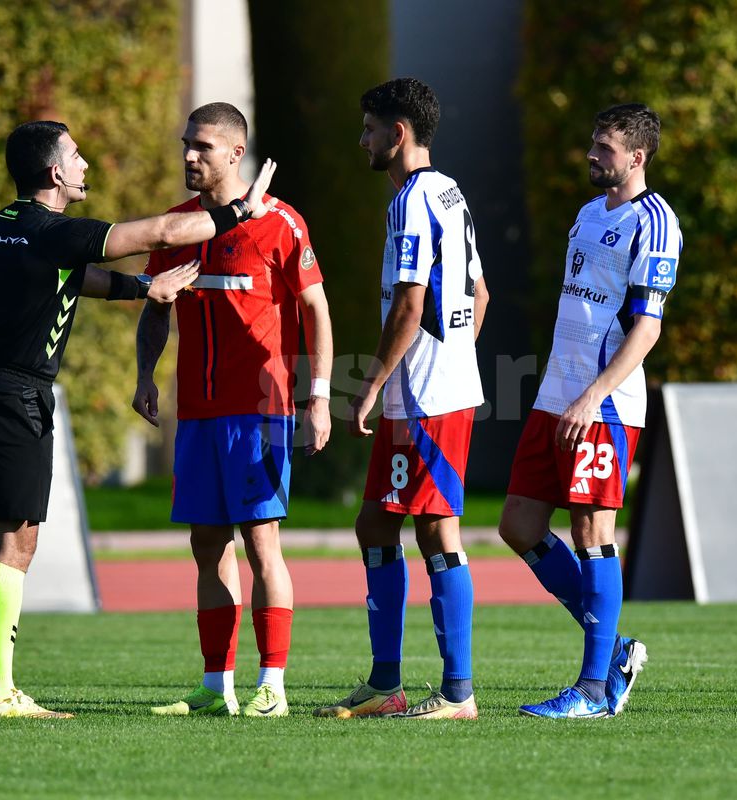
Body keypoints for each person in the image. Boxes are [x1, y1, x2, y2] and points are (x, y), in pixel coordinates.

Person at [0, 120, 278, 719]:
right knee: (16, 538)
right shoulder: (54, 231)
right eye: (76, 158)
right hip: (16, 397)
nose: (85, 166)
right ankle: (1, 694)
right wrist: (240, 211)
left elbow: (71, 280)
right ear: (54, 173)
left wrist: (143, 289)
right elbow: (161, 230)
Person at [133, 103, 332, 718]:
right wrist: (144, 374)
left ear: (236, 154)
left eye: (204, 147)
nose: (190, 156)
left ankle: (272, 685)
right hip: (197, 412)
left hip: (259, 412)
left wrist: (319, 396)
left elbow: (316, 313)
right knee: (206, 544)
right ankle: (215, 687)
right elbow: (156, 306)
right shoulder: (177, 226)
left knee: (260, 542)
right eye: (187, 145)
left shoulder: (281, 224)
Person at [313, 78, 488, 720]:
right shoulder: (450, 192)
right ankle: (387, 685)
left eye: (368, 128)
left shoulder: (415, 202)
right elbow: (481, 293)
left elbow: (413, 305)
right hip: (430, 390)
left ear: (399, 134)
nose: (362, 138)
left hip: (424, 397)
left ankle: (458, 695)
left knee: (438, 530)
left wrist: (374, 384)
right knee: (377, 523)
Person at [497, 104, 678, 719]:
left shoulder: (655, 223)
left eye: (605, 147)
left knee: (592, 534)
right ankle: (616, 649)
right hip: (556, 395)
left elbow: (646, 329)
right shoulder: (585, 214)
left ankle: (596, 690)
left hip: (603, 403)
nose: (593, 155)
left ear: (637, 156)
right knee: (519, 525)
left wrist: (594, 394)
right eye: (593, 145)